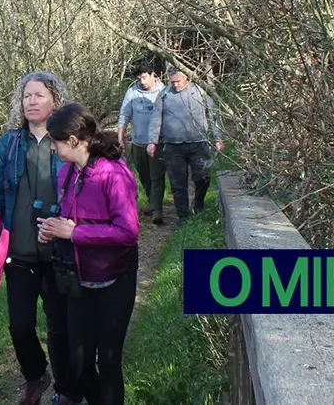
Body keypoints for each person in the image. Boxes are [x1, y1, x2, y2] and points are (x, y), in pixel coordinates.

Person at [0, 72, 77, 405]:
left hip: (59, 252)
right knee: (20, 327)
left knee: (59, 327)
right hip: (19, 252)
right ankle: (36, 375)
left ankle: (66, 389)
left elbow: (82, 189)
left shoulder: (68, 140)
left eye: (38, 95)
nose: (31, 102)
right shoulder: (9, 143)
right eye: (26, 96)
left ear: (55, 99)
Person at [37, 103, 139, 405]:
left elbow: (128, 233)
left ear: (71, 140)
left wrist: (75, 233)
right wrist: (52, 229)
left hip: (114, 281)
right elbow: (69, 219)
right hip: (78, 281)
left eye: (54, 141)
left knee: (108, 362)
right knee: (78, 362)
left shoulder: (113, 174)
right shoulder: (67, 173)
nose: (52, 148)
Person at [146, 67, 224, 224]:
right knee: (177, 183)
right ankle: (182, 216)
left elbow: (213, 115)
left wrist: (218, 138)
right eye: (172, 81)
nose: (175, 85)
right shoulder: (164, 95)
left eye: (178, 81)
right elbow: (156, 119)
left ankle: (198, 204)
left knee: (203, 177)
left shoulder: (199, 93)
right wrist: (152, 141)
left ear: (186, 77)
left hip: (198, 143)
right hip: (173, 146)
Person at [117, 62, 168, 226]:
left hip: (158, 142)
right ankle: (152, 202)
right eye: (140, 79)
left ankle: (157, 210)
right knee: (144, 175)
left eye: (145, 77)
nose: (143, 82)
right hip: (138, 141)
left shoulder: (163, 91)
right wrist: (120, 137)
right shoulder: (132, 91)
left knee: (157, 176)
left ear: (153, 74)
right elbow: (124, 114)